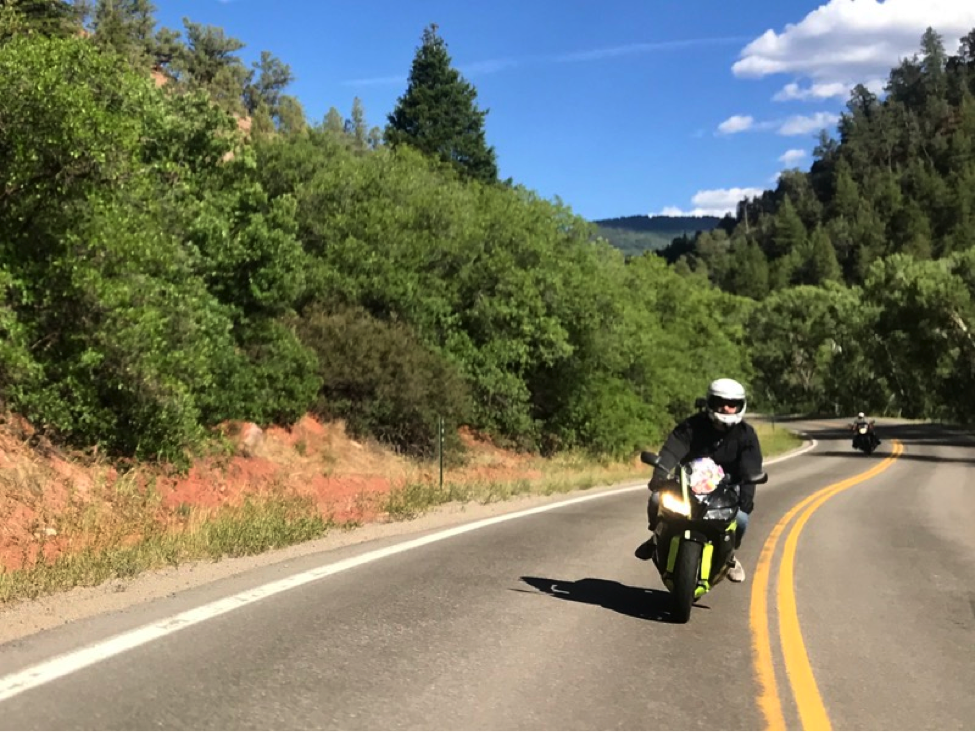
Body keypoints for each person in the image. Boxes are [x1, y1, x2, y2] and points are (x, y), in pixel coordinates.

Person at [634, 378, 764, 583]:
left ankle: (729, 556)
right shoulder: (691, 427)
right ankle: (656, 537)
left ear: (740, 406)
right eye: (720, 402)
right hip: (686, 486)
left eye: (732, 404)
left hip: (725, 492)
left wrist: (747, 497)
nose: (726, 408)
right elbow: (672, 450)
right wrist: (659, 475)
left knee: (741, 519)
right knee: (656, 500)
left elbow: (751, 468)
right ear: (709, 402)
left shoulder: (746, 435)